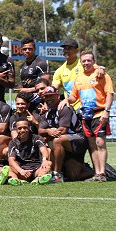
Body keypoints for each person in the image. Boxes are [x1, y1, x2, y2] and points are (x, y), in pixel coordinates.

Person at [68, 51, 114, 182]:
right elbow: (73, 96)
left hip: (100, 114)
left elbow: (109, 94)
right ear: (81, 62)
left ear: (94, 61)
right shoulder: (79, 78)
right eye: (84, 61)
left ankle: (103, 173)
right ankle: (97, 173)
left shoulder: (101, 74)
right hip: (86, 116)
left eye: (89, 60)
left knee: (100, 143)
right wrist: (66, 100)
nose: (86, 63)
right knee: (92, 144)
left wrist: (106, 111)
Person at [38, 86, 93, 182]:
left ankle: (57, 175)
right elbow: (40, 130)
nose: (48, 99)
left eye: (51, 96)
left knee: (56, 140)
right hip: (65, 144)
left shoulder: (64, 108)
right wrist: (48, 131)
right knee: (74, 176)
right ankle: (94, 171)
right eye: (46, 97)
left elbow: (62, 131)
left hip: (78, 139)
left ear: (58, 96)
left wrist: (49, 133)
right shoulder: (46, 113)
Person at [52, 39, 104, 112]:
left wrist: (101, 69)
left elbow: (98, 68)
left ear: (77, 50)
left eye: (69, 48)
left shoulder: (84, 63)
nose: (66, 51)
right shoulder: (59, 71)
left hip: (87, 108)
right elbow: (53, 88)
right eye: (65, 49)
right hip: (71, 109)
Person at [7, 117, 52, 186]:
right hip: (22, 171)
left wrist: (44, 160)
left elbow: (44, 150)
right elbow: (11, 160)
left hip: (37, 169)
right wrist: (21, 171)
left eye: (25, 127)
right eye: (19, 128)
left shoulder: (37, 138)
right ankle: (17, 180)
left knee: (48, 164)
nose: (22, 130)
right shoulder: (13, 142)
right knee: (7, 168)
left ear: (29, 127)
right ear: (16, 129)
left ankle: (38, 179)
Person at [18, 37, 48, 111]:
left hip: (39, 101)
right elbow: (25, 84)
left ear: (35, 49)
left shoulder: (41, 63)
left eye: (30, 49)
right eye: (25, 49)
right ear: (21, 50)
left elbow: (46, 85)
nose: (27, 51)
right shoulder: (22, 66)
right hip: (27, 102)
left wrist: (28, 90)